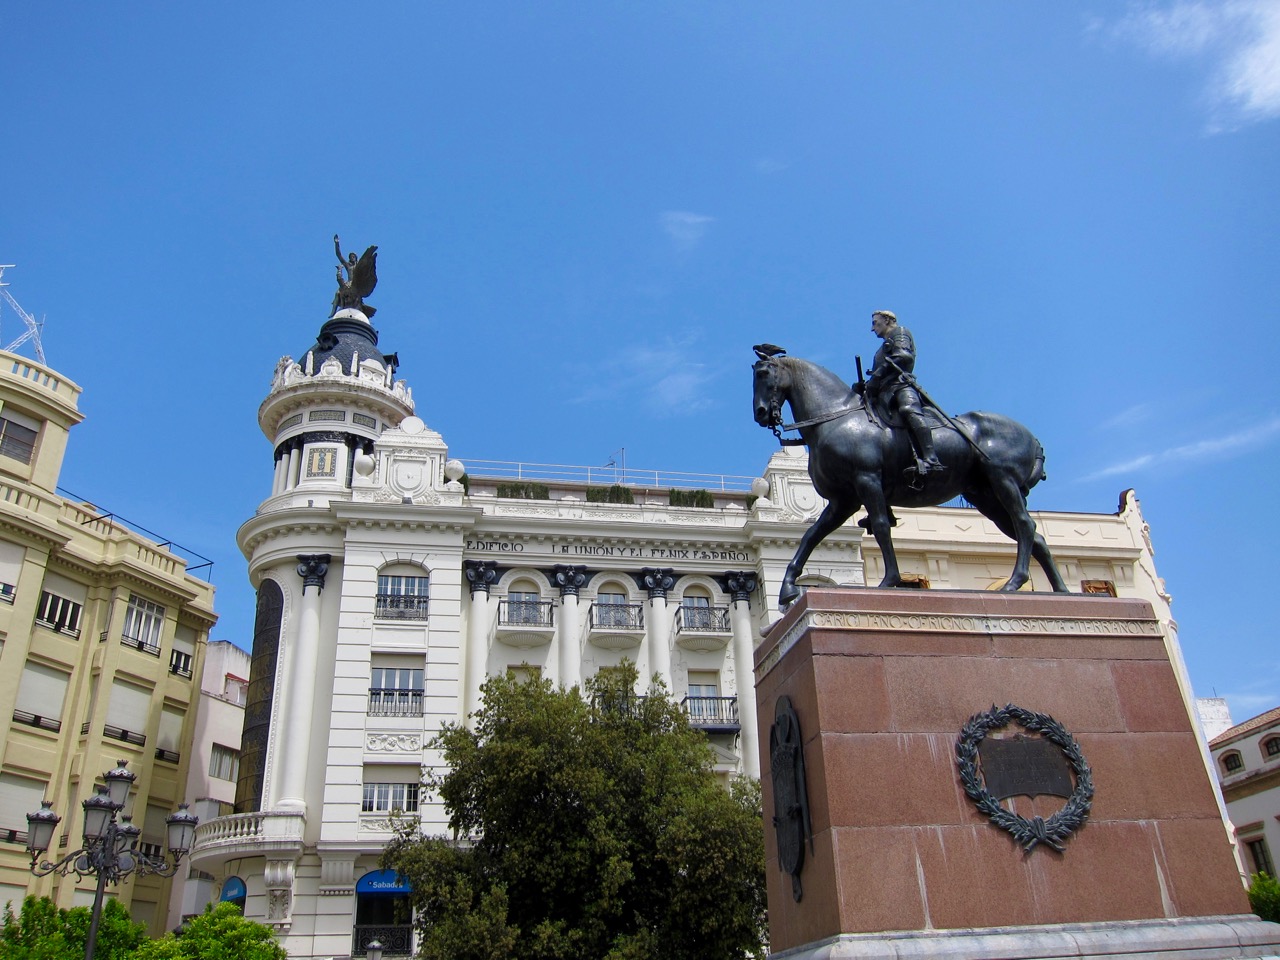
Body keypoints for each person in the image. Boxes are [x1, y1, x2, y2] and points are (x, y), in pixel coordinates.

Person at [862, 310, 944, 475]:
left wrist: (877, 376)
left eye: (875, 322)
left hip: (900, 386)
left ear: (887, 320)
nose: (872, 328)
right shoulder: (880, 349)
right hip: (884, 392)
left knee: (909, 410)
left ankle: (931, 458)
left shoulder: (900, 333)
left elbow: (904, 357)